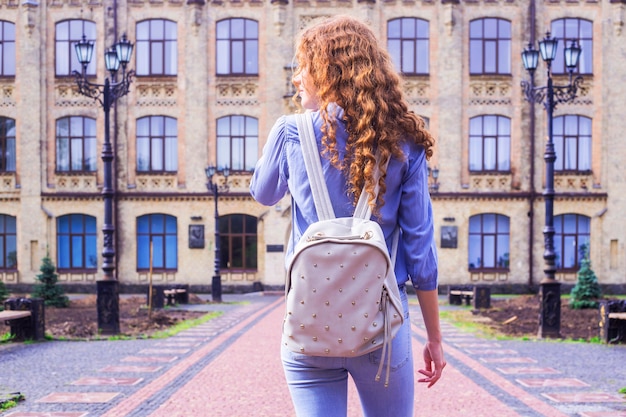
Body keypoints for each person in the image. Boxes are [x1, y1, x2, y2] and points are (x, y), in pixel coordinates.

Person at [249, 15, 445, 417]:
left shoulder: (289, 133)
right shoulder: (404, 142)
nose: (296, 78)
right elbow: (421, 251)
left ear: (329, 72)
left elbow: (263, 193)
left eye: (304, 67)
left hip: (309, 326)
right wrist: (435, 338)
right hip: (382, 329)